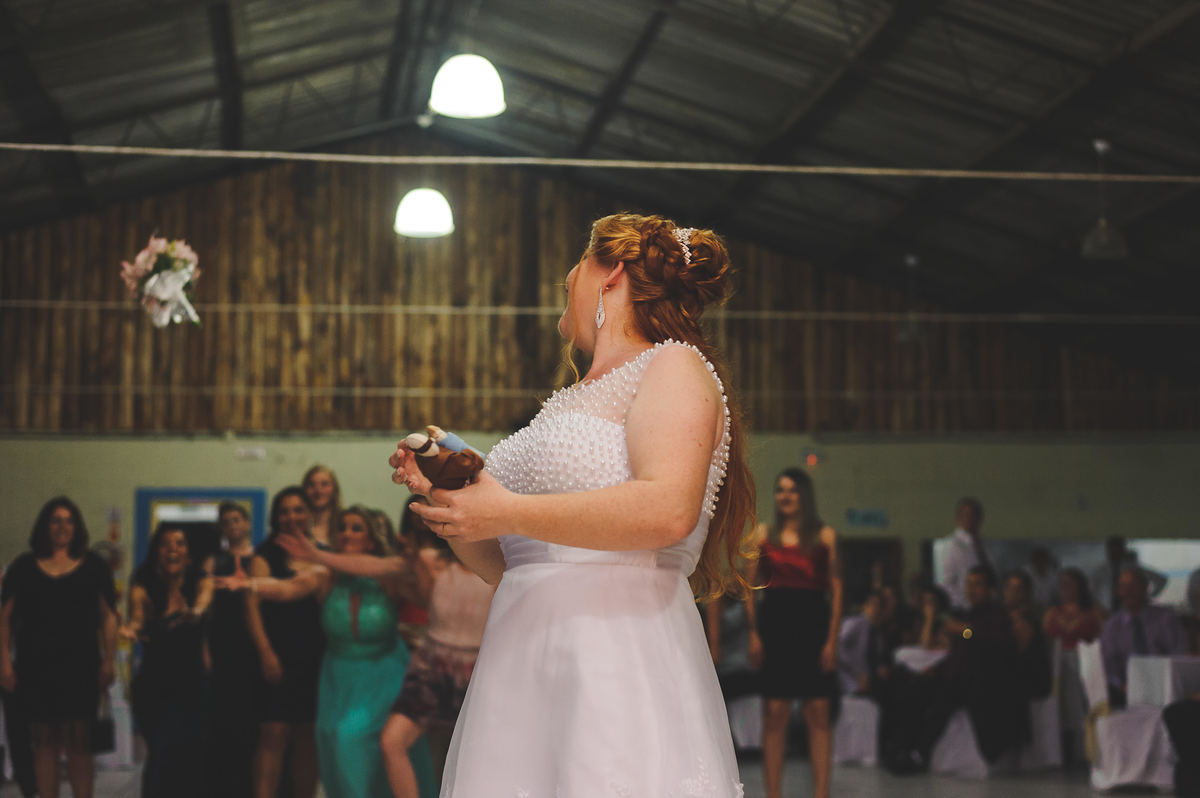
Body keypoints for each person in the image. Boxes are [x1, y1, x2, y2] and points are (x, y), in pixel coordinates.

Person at [388, 214, 755, 796]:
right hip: (523, 656)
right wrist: (448, 494)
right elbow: (501, 562)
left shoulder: (672, 366)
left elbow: (668, 511)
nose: (568, 277)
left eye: (578, 265)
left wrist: (506, 510)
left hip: (614, 650)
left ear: (609, 275)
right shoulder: (567, 401)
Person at [220, 506, 437, 798]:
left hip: (384, 673)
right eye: (343, 527)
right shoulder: (326, 575)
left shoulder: (388, 576)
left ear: (371, 540)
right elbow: (288, 588)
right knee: (334, 744)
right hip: (339, 677)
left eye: (356, 528)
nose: (347, 533)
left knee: (352, 739)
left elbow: (427, 601)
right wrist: (253, 584)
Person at [0, 497, 117, 798]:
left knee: (80, 745)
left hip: (81, 668)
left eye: (68, 521)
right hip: (35, 668)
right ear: (45, 526)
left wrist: (108, 660)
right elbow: (5, 619)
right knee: (44, 744)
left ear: (76, 527)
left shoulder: (93, 566)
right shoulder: (24, 566)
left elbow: (108, 617)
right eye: (56, 520)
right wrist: (5, 663)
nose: (62, 527)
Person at [744, 467, 841, 798]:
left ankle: (821, 794)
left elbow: (837, 593)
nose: (785, 496)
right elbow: (748, 588)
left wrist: (832, 641)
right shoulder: (762, 534)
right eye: (780, 490)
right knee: (774, 714)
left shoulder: (825, 536)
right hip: (776, 627)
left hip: (814, 626)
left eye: (792, 490)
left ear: (805, 495)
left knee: (818, 713)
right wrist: (753, 633)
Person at [245, 487, 325, 798]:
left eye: (297, 510)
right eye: (285, 511)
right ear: (275, 517)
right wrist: (265, 652)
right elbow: (249, 605)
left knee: (307, 737)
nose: (291, 517)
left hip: (315, 656)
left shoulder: (322, 552)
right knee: (273, 735)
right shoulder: (265, 554)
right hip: (277, 654)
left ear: (308, 514)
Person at [124, 522, 214, 798]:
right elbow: (138, 617)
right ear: (156, 552)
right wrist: (132, 628)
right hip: (155, 689)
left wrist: (195, 612)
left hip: (193, 687)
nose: (172, 549)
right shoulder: (142, 586)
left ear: (188, 554)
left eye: (179, 543)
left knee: (193, 759)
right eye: (165, 544)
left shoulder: (202, 581)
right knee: (162, 756)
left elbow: (202, 603)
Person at [207, 501, 260, 798]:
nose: (233, 526)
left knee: (251, 724)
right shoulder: (212, 562)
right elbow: (205, 612)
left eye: (237, 519)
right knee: (223, 722)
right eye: (226, 521)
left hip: (252, 648)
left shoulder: (260, 558)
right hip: (222, 647)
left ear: (248, 523)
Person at [1099, 566, 1186, 706]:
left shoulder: (1166, 618)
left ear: (1146, 588)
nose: (1128, 591)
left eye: (1133, 586)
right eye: (1123, 586)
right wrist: (1123, 686)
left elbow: (1179, 655)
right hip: (1126, 693)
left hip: (1167, 688)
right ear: (1118, 591)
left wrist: (1166, 684)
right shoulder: (1111, 627)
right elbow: (1109, 666)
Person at [935, 497, 990, 610]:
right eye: (965, 515)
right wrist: (966, 605)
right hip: (962, 608)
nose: (969, 519)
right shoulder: (950, 545)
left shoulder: (984, 544)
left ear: (980, 518)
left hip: (985, 607)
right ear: (958, 518)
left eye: (973, 515)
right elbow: (945, 585)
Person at [1090, 536, 1166, 614]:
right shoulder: (1101, 571)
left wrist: (1148, 596)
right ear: (1108, 550)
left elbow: (1161, 580)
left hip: (1131, 611)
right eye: (1112, 549)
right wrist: (1098, 607)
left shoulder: (1132, 568)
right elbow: (1092, 590)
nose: (1114, 552)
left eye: (1117, 549)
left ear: (1123, 550)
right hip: (1106, 612)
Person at [302, 465, 342, 548]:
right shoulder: (298, 526)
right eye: (312, 485)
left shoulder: (344, 526)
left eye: (324, 484)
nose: (318, 490)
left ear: (335, 489)